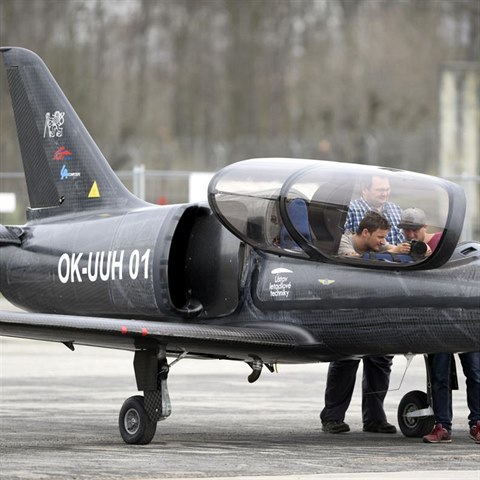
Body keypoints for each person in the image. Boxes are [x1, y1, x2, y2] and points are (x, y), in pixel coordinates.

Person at [423, 352, 480, 444]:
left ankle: (477, 423)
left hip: (469, 338)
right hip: (440, 338)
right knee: (439, 376)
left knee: (476, 374)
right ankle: (442, 426)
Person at [344, 174, 404, 245]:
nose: (384, 194)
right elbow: (343, 244)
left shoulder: (397, 210)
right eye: (380, 190)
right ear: (364, 189)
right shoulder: (350, 210)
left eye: (387, 189)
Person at [338, 211, 410, 257]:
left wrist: (403, 248)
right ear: (365, 233)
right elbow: (357, 259)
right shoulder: (342, 242)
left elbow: (394, 248)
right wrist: (392, 252)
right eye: (380, 237)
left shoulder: (377, 243)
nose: (382, 241)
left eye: (384, 237)